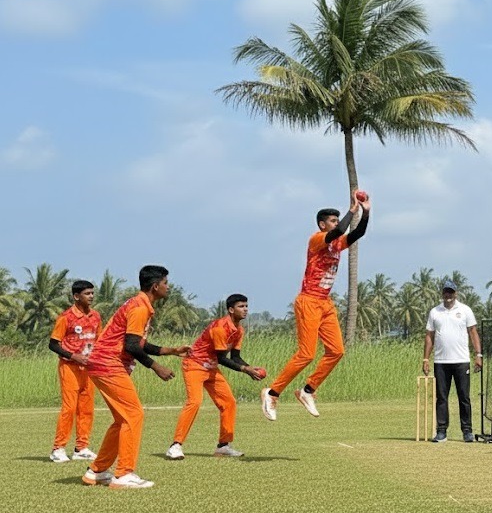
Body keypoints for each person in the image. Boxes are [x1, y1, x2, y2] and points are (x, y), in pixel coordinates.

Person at [261, 191, 371, 421]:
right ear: (322, 225)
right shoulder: (316, 239)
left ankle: (307, 390)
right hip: (309, 301)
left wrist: (366, 210)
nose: (335, 222)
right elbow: (340, 230)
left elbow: (357, 232)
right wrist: (352, 209)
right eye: (331, 220)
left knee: (337, 351)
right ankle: (272, 393)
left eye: (336, 219)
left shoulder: (337, 246)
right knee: (306, 354)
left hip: (325, 304)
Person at [83, 265, 191, 488]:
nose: (168, 287)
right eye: (166, 283)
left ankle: (97, 471)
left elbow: (139, 342)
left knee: (122, 419)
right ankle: (123, 474)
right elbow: (131, 346)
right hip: (108, 363)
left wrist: (171, 350)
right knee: (134, 415)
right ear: (155, 286)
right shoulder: (140, 307)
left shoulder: (139, 304)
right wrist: (156, 367)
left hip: (101, 363)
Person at [167, 294, 266, 460]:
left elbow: (235, 357)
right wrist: (245, 370)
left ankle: (223, 446)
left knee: (229, 402)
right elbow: (221, 358)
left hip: (211, 368)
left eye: (246, 306)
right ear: (231, 309)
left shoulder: (239, 330)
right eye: (241, 306)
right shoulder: (220, 327)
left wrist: (249, 368)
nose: (246, 309)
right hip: (195, 365)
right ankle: (175, 445)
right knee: (195, 402)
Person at [48, 280, 102, 463]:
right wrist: (73, 356)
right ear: (76, 296)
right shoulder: (66, 317)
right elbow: (53, 344)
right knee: (69, 408)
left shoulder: (95, 316)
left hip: (88, 368)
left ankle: (81, 448)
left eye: (92, 293)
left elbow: (99, 341)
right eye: (87, 294)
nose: (91, 296)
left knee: (86, 409)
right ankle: (58, 448)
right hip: (70, 366)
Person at [421, 280, 481, 443]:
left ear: (456, 293)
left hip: (461, 360)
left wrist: (478, 355)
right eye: (446, 292)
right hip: (441, 361)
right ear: (442, 293)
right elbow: (429, 336)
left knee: (464, 397)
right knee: (442, 397)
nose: (448, 295)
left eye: (451, 292)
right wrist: (426, 358)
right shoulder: (435, 312)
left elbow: (473, 332)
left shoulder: (465, 310)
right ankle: (441, 431)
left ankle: (467, 431)